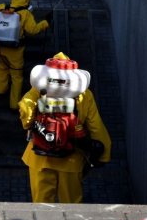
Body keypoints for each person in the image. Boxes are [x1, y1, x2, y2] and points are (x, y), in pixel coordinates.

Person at [18, 52, 111, 203]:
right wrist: (104, 154)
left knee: (40, 203)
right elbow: (96, 126)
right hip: (71, 158)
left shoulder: (38, 89)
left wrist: (30, 123)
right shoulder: (84, 94)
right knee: (72, 204)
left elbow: (26, 111)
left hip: (40, 155)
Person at [0, 0, 50, 110]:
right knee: (16, 76)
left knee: (2, 68)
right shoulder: (25, 14)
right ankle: (14, 104)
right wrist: (45, 23)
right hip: (15, 51)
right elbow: (33, 30)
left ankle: (1, 90)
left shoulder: (3, 7)